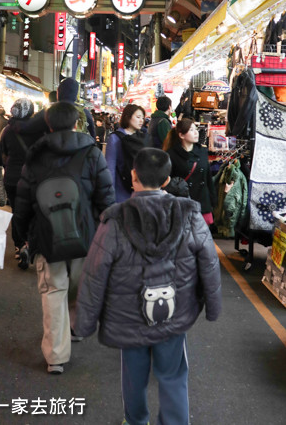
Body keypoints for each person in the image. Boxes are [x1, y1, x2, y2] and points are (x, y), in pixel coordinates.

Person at [73, 148, 222, 425]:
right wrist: (212, 307)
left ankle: (135, 420)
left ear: (133, 176)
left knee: (133, 377)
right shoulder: (189, 215)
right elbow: (210, 264)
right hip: (174, 315)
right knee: (174, 375)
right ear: (167, 180)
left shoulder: (114, 220)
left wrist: (84, 324)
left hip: (128, 318)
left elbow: (94, 274)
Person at [14, 101, 115, 375]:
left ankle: (56, 356)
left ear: (48, 125)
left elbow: (22, 201)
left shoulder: (35, 157)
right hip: (86, 234)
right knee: (79, 287)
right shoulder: (92, 154)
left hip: (47, 235)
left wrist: (20, 236)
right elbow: (106, 198)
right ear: (75, 124)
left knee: (53, 291)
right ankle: (76, 328)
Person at [0, 98, 38, 259]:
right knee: (33, 211)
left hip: (12, 179)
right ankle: (30, 243)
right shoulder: (37, 130)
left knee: (17, 212)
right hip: (32, 178)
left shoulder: (7, 130)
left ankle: (19, 245)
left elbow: (2, 154)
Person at [163, 118, 217, 226]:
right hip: (182, 203)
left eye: (196, 129)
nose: (196, 132)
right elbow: (168, 181)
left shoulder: (202, 151)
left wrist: (213, 200)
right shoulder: (171, 154)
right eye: (191, 130)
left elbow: (207, 178)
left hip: (202, 202)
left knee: (201, 237)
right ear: (181, 135)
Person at [105, 103, 146, 202]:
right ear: (128, 117)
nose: (141, 121)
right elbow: (110, 168)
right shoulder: (115, 138)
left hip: (140, 190)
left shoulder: (142, 136)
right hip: (121, 190)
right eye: (138, 117)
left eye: (142, 118)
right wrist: (109, 195)